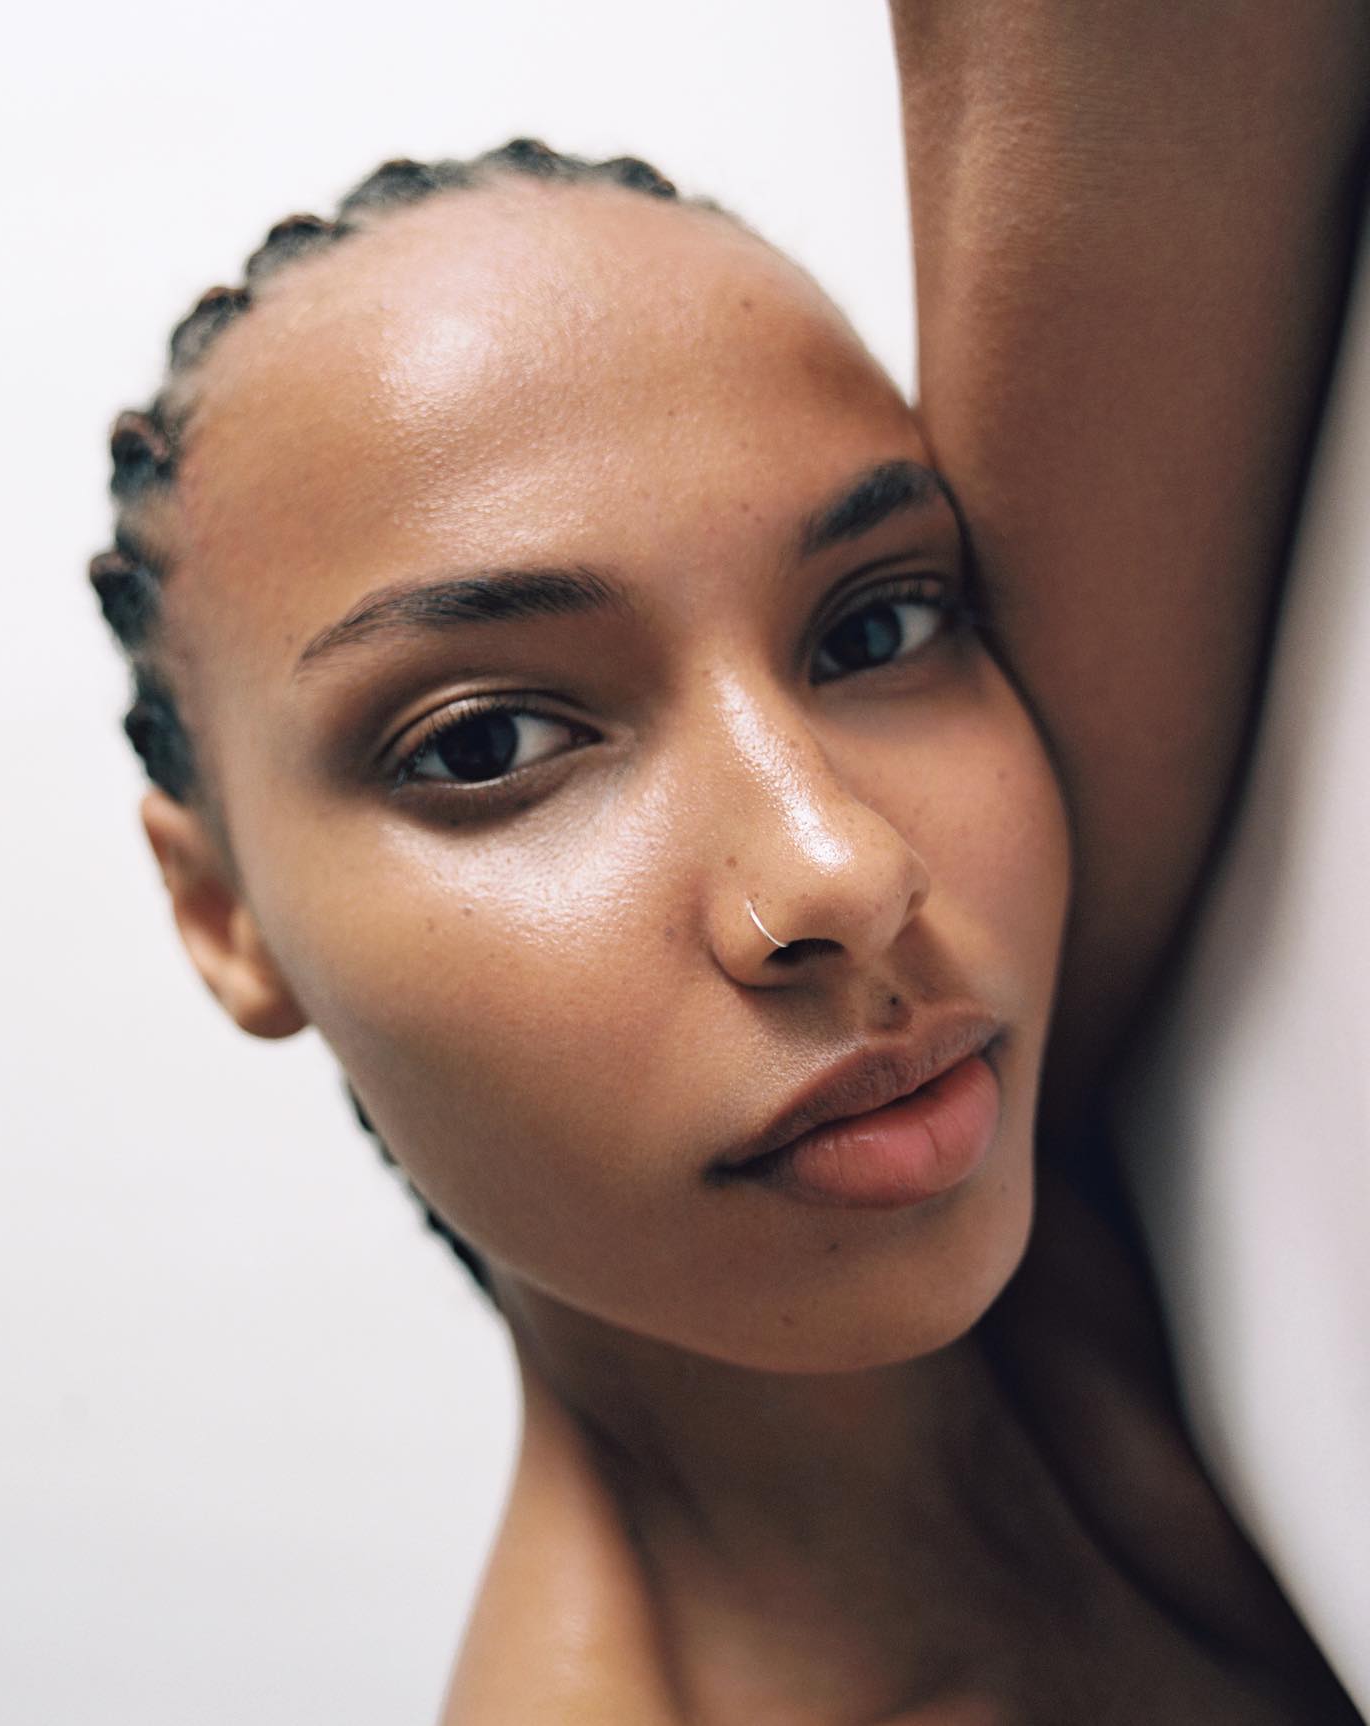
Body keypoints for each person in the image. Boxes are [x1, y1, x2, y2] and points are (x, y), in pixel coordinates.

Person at [87, 5, 1369, 1721]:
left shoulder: (1083, 1047)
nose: (845, 867)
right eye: (490, 744)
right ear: (219, 912)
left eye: (883, 623)